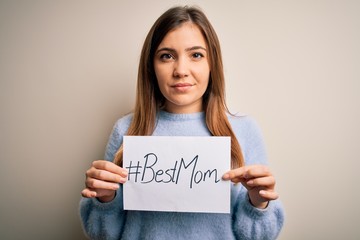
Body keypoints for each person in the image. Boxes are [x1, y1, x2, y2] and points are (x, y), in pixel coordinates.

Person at [80, 5, 284, 240]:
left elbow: (256, 236)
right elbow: (102, 233)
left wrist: (258, 203)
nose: (181, 70)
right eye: (167, 56)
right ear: (151, 67)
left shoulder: (243, 130)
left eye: (196, 55)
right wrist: (105, 199)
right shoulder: (126, 130)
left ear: (212, 64)